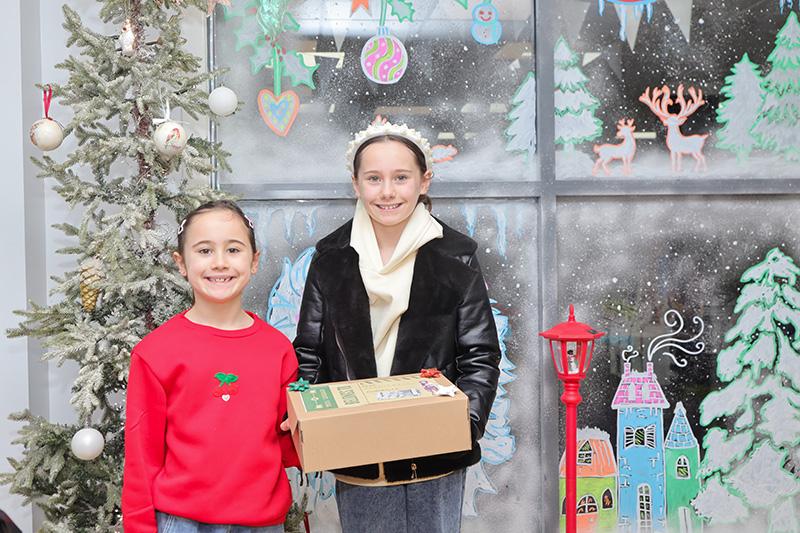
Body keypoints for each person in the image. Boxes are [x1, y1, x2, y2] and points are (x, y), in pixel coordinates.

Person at [292, 119, 501, 532]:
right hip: (359, 454)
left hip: (435, 455)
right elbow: (309, 353)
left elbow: (480, 353)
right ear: (355, 184)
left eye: (400, 177)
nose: (387, 191)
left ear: (424, 181)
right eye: (374, 178)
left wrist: (465, 424)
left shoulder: (455, 257)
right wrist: (307, 418)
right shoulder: (330, 258)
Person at [122, 200, 299, 533]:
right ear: (181, 264)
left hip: (263, 522)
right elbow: (141, 459)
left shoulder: (278, 349)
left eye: (233, 249)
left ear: (255, 260)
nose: (219, 263)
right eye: (204, 251)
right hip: (183, 522)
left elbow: (290, 444)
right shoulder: (155, 352)